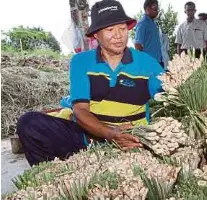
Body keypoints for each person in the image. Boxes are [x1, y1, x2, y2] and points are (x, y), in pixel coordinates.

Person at [16, 0, 165, 167]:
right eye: (110, 29)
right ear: (96, 35)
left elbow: (169, 94)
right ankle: (51, 177)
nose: (118, 35)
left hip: (132, 138)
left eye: (122, 29)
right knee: (29, 124)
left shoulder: (147, 63)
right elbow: (80, 111)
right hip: (89, 138)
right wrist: (110, 134)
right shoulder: (81, 62)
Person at [135, 0, 163, 66]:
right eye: (155, 9)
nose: (157, 11)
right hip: (148, 63)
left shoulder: (153, 24)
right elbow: (138, 45)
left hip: (158, 61)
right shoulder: (142, 23)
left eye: (157, 9)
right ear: (147, 9)